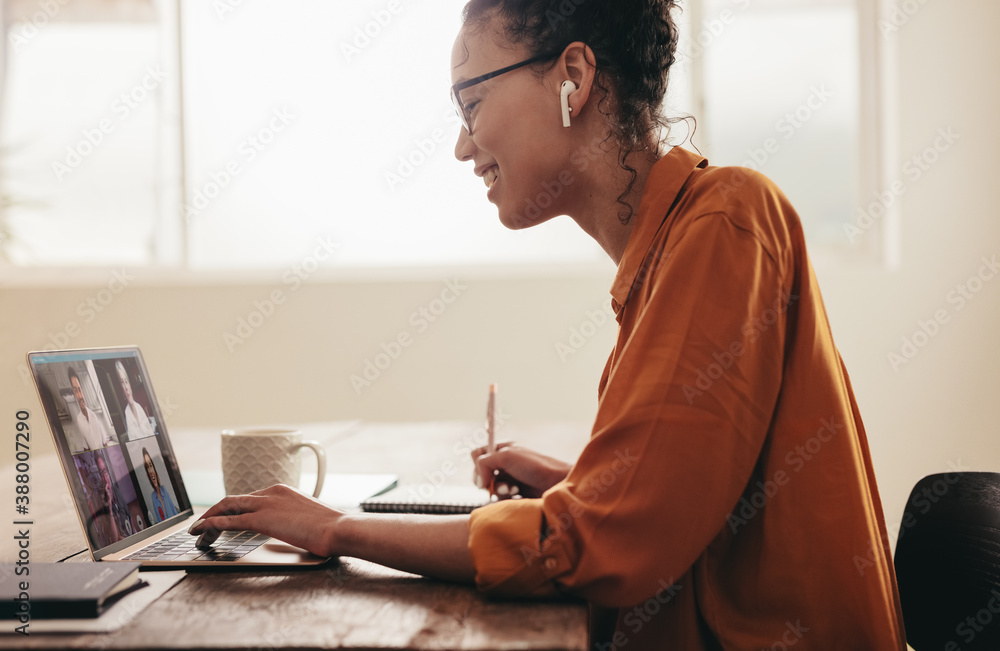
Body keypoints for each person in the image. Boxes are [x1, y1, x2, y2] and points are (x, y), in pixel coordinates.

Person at [191, 1, 907, 648]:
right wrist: (576, 480)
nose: (463, 147)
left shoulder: (726, 220)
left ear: (573, 75)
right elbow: (690, 508)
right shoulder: (672, 251)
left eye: (472, 103)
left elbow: (598, 543)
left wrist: (336, 528)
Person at [68, 366, 116, 451]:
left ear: (82, 390)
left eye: (79, 390)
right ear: (73, 393)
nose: (80, 396)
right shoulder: (79, 421)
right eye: (76, 391)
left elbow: (105, 442)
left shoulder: (93, 415)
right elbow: (86, 448)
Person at [116, 360, 157, 440]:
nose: (126, 387)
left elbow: (151, 435)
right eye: (122, 383)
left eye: (126, 381)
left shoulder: (139, 407)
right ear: (121, 389)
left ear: (130, 385)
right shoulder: (127, 413)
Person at [142, 447, 179, 523]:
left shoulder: (164, 490)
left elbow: (173, 510)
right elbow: (159, 521)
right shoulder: (153, 497)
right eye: (147, 467)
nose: (150, 471)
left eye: (151, 465)